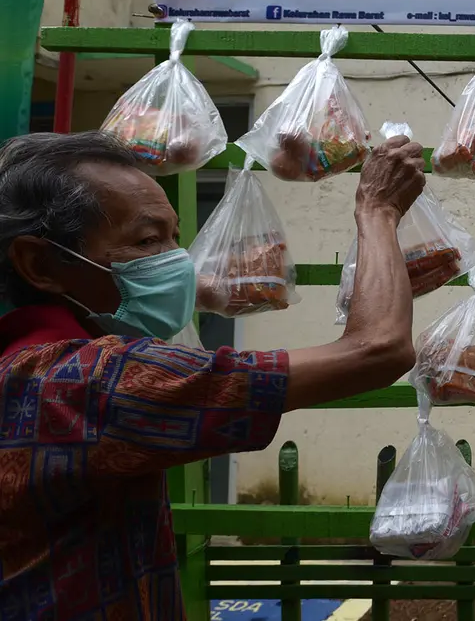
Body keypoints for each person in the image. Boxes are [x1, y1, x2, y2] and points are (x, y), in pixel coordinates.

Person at [0, 131, 425, 619]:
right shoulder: (87, 381)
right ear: (39, 264)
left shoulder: (24, 363)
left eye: (174, 239)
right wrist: (378, 209)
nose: (174, 262)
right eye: (147, 240)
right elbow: (378, 349)